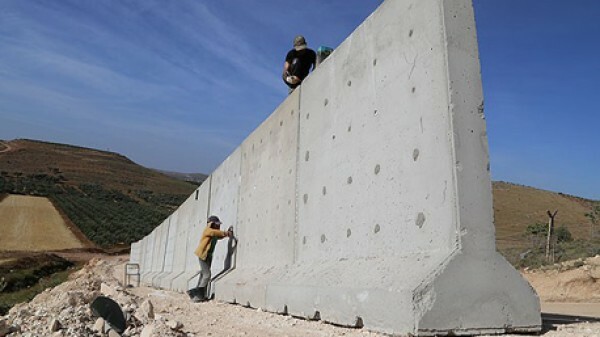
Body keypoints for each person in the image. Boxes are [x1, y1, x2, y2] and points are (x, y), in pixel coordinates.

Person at [187, 215, 233, 302]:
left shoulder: (214, 232)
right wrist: (226, 233)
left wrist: (227, 234)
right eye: (217, 224)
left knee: (203, 275)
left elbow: (219, 235)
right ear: (211, 224)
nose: (218, 226)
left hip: (208, 255)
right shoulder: (208, 230)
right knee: (207, 275)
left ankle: (199, 295)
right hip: (203, 255)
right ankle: (198, 296)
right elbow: (214, 233)